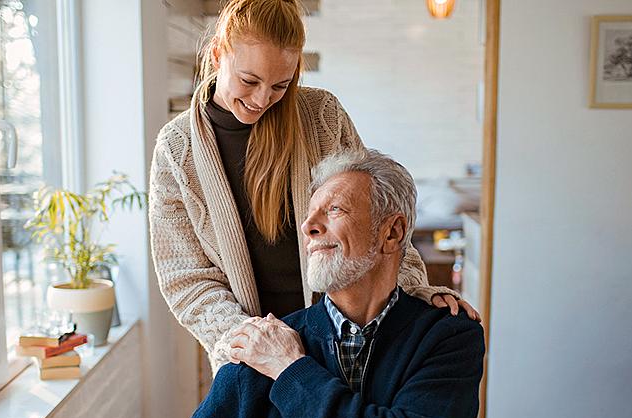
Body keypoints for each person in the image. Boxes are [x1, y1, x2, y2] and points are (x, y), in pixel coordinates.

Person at [148, 149, 484, 418]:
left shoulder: (449, 337)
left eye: (335, 210)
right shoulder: (260, 352)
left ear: (392, 232)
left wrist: (291, 370)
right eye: (309, 215)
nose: (309, 227)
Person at [148, 0, 478, 373]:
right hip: (250, 359)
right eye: (249, 81)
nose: (262, 100)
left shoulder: (322, 116)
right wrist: (252, 339)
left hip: (350, 340)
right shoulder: (176, 151)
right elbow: (185, 277)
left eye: (280, 85)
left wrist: (415, 292)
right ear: (218, 53)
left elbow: (376, 216)